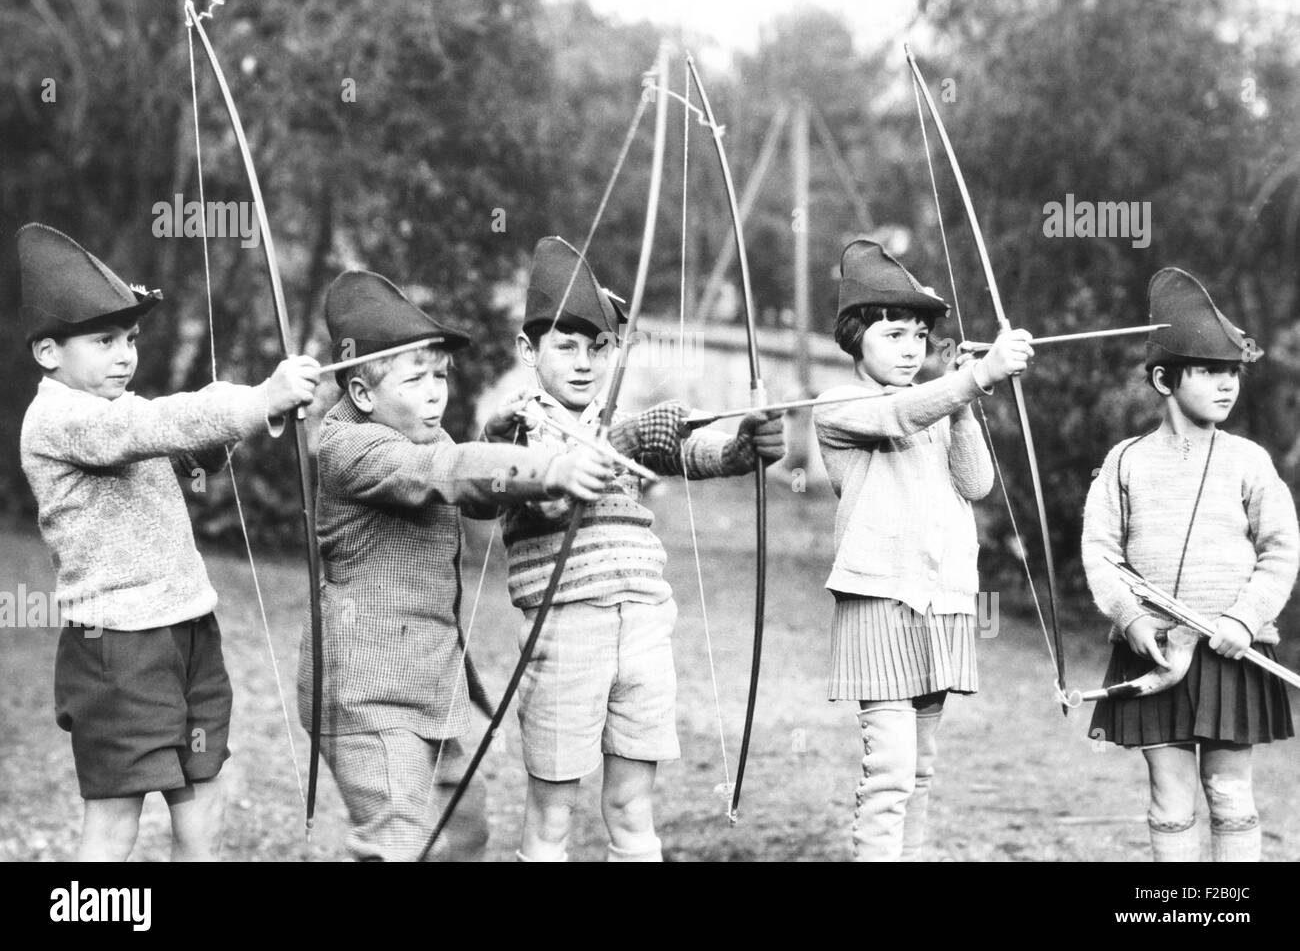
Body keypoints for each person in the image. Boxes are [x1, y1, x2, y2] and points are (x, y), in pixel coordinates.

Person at [17, 223, 321, 860]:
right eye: (104, 341)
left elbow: (190, 449)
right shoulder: (59, 418)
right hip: (118, 648)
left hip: (187, 627)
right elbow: (153, 425)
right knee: (115, 818)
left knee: (201, 797)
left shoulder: (118, 411)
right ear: (49, 353)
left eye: (129, 339)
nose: (125, 355)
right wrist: (258, 396)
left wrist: (250, 416)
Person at [485, 236, 784, 862]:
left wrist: (739, 449)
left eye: (599, 347)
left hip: (645, 624)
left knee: (631, 806)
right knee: (552, 815)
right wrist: (570, 452)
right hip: (567, 629)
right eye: (564, 346)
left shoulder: (617, 424)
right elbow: (529, 491)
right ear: (527, 350)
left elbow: (677, 451)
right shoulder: (517, 430)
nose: (584, 362)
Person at [296, 270, 612, 861]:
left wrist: (524, 466)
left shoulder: (425, 437)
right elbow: (447, 473)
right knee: (399, 844)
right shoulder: (348, 448)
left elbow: (475, 489)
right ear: (363, 396)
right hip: (363, 694)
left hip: (428, 689)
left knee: (465, 834)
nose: (436, 393)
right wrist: (545, 469)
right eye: (416, 380)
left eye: (440, 376)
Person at [812, 238, 1032, 861]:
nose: (910, 349)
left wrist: (966, 402)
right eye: (893, 335)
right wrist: (971, 379)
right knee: (890, 771)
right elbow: (897, 417)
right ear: (856, 337)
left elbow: (976, 483)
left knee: (922, 769)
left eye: (918, 336)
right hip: (879, 598)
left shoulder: (936, 401)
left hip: (941, 600)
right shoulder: (839, 405)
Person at [1083, 267, 1297, 862]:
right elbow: (1100, 553)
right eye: (1209, 371)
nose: (1227, 386)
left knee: (1230, 796)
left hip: (1233, 649)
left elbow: (1282, 549)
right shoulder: (1124, 461)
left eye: (1233, 373)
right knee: (1169, 801)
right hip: (1153, 649)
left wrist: (1244, 620)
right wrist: (1130, 619)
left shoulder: (1249, 461)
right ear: (1163, 378)